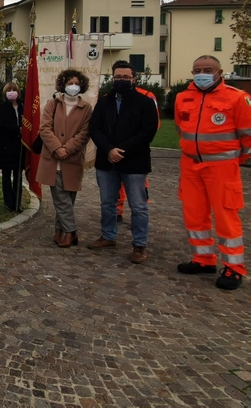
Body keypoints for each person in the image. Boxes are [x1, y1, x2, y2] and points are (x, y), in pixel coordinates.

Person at [175, 55, 249, 290]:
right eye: (197, 70)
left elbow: (248, 135)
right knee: (194, 214)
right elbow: (180, 128)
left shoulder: (238, 98)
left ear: (219, 72)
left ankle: (234, 267)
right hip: (190, 165)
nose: (202, 74)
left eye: (207, 69)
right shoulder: (183, 97)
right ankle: (203, 258)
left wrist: (235, 159)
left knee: (226, 216)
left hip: (222, 167)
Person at [87, 61, 158, 263]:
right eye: (118, 77)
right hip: (107, 161)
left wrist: (121, 150)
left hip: (134, 162)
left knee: (138, 206)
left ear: (134, 79)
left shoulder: (144, 102)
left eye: (126, 77)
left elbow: (147, 131)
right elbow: (95, 128)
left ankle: (139, 245)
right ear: (112, 78)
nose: (121, 80)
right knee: (107, 203)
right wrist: (109, 149)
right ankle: (108, 236)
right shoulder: (104, 102)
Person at [36, 69, 93, 248]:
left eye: (76, 83)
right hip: (53, 160)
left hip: (72, 159)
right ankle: (71, 232)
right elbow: (45, 129)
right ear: (63, 85)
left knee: (68, 199)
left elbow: (84, 133)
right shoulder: (53, 104)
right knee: (61, 199)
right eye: (70, 83)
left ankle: (59, 230)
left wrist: (67, 149)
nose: (73, 86)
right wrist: (57, 148)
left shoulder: (86, 108)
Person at [115, 85, 160, 222]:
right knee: (116, 181)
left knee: (138, 184)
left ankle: (140, 212)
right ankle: (117, 210)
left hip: (137, 148)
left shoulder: (147, 96)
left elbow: (154, 122)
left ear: (134, 78)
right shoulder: (109, 97)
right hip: (115, 147)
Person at [0, 82, 23, 212]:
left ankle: (17, 202)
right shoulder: (1, 108)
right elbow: (0, 127)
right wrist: (17, 129)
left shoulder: (23, 107)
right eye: (9, 90)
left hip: (19, 147)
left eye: (14, 90)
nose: (12, 92)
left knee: (18, 175)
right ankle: (8, 202)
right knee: (6, 175)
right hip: (5, 146)